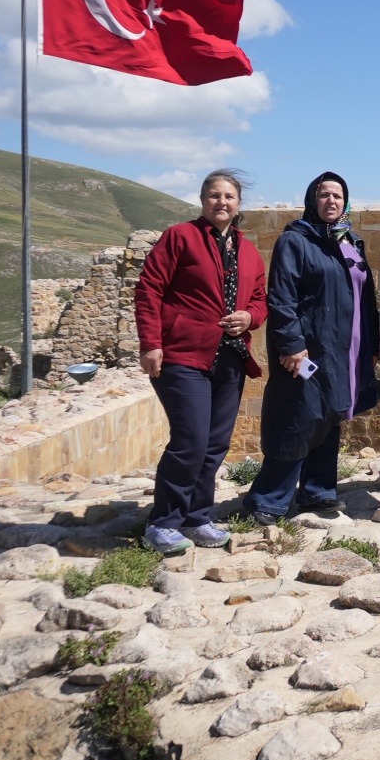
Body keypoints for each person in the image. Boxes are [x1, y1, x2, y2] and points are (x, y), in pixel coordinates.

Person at [134, 169, 267, 555]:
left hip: (229, 357)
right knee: (190, 439)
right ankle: (163, 522)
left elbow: (260, 300)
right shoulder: (180, 237)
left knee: (214, 443)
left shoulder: (247, 251)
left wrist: (249, 318)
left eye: (228, 196)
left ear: (238, 204)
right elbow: (149, 289)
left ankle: (197, 517)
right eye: (214, 195)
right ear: (202, 199)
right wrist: (150, 343)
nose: (221, 202)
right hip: (182, 355)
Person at [244, 172, 380, 524]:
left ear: (346, 203)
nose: (331, 201)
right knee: (298, 418)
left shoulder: (350, 241)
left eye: (338, 196)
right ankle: (267, 499)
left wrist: (371, 342)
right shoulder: (296, 240)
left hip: (345, 350)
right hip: (308, 349)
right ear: (312, 199)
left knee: (331, 415)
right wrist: (292, 344)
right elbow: (282, 296)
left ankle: (317, 491)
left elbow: (366, 298)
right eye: (324, 195)